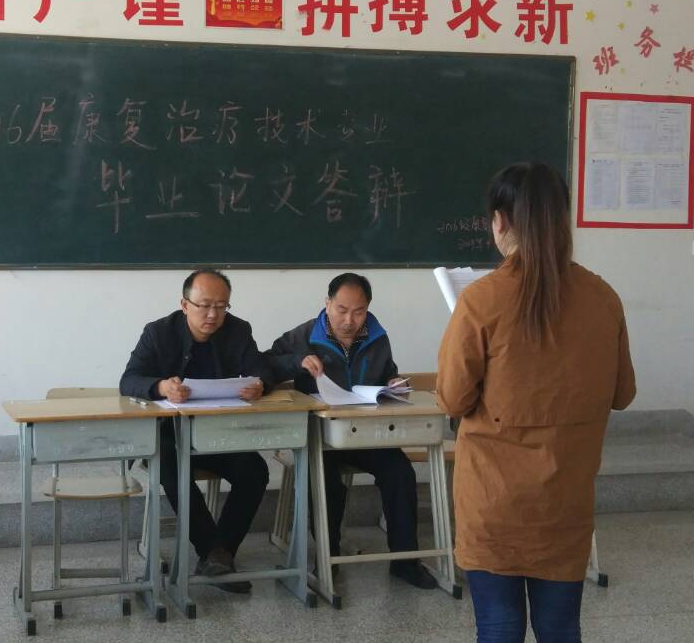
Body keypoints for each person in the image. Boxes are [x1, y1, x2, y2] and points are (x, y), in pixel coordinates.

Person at [437, 162, 636, 643]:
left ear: (500, 221)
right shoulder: (602, 298)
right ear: (563, 219)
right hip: (565, 500)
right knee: (561, 629)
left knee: (499, 628)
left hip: (493, 502)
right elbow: (623, 394)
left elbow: (453, 397)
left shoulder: (482, 301)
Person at [266, 272, 438, 590]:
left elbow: (387, 372)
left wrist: (393, 382)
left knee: (400, 473)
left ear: (367, 308)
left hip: (367, 433)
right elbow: (264, 366)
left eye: (358, 312)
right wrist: (297, 361)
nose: (349, 320)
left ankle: (405, 560)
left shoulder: (377, 337)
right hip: (321, 435)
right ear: (327, 303)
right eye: (342, 310)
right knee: (325, 479)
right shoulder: (305, 334)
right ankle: (327, 557)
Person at [119, 268, 270, 593]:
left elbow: (260, 370)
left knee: (255, 470)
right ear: (185, 304)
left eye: (221, 306)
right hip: (169, 436)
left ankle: (220, 553)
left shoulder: (238, 330)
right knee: (174, 470)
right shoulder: (159, 332)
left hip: (218, 431)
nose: (213, 315)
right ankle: (212, 552)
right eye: (204, 305)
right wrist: (161, 387)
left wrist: (259, 385)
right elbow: (129, 381)